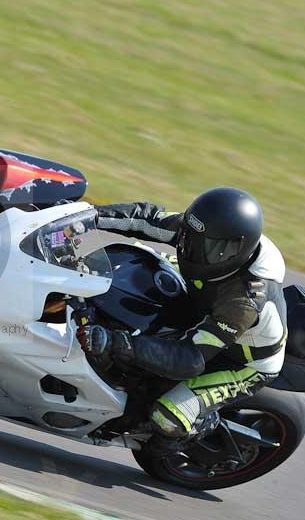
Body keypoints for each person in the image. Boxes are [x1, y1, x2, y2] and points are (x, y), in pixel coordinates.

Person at [78, 187, 287, 453]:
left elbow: (189, 358)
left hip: (241, 361)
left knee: (168, 417)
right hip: (205, 306)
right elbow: (146, 218)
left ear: (236, 250)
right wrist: (86, 217)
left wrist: (117, 343)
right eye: (191, 237)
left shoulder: (242, 301)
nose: (191, 249)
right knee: (133, 265)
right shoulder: (207, 233)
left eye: (206, 247)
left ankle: (201, 425)